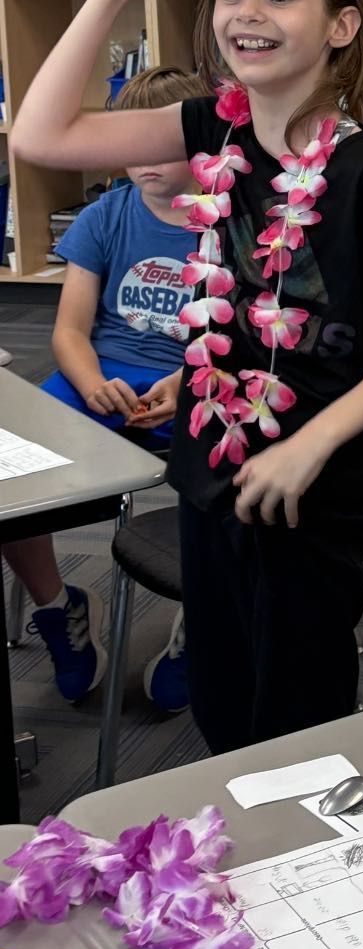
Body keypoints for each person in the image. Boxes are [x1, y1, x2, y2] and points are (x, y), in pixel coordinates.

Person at [11, 0, 363, 754]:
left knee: (295, 705)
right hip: (211, 456)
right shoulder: (210, 129)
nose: (247, 13)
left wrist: (308, 445)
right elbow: (40, 135)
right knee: (223, 690)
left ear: (339, 25)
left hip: (310, 480)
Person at [9, 65, 206, 710]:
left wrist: (188, 379)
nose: (140, 160)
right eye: (126, 144)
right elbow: (69, 330)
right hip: (99, 378)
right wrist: (92, 383)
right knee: (13, 475)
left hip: (197, 379)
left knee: (237, 477)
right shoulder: (106, 214)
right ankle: (57, 607)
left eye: (158, 144)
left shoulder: (228, 220)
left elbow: (238, 334)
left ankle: (206, 620)